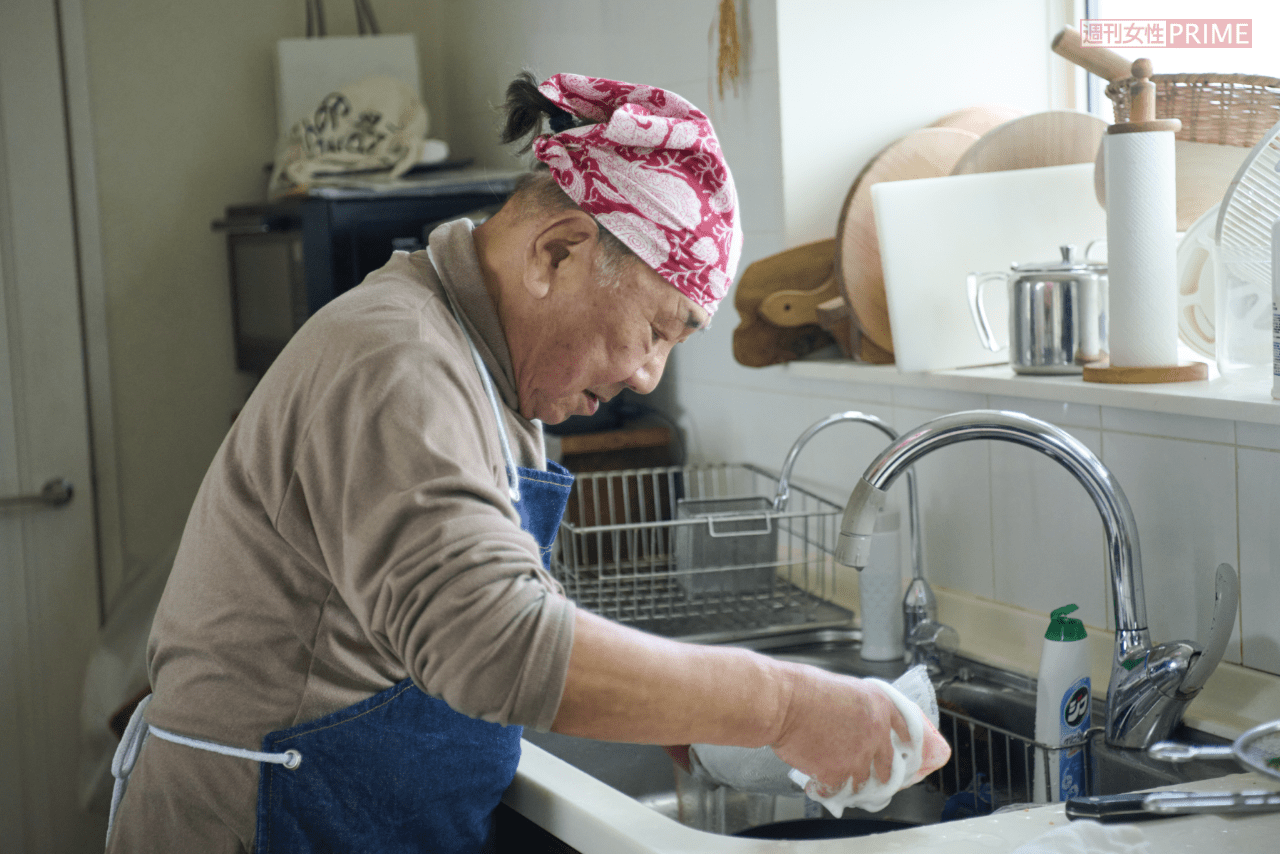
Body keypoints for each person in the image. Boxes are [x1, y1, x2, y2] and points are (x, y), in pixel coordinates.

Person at [105, 71, 950, 853]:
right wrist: (786, 705)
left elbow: (488, 595)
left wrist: (671, 704)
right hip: (261, 821)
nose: (646, 375)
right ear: (558, 252)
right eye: (656, 330)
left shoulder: (478, 361)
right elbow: (495, 643)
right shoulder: (400, 364)